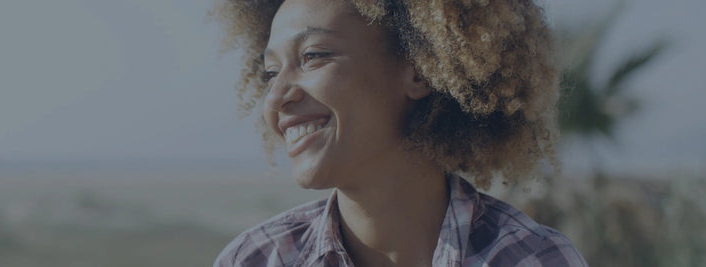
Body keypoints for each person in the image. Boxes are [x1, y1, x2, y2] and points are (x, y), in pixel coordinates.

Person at [211, 0, 587, 266]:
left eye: (312, 56)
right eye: (271, 73)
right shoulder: (256, 259)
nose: (276, 98)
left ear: (419, 70)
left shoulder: (531, 260)